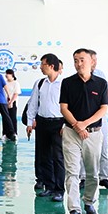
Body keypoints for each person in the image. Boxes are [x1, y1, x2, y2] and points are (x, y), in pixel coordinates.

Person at [59, 48, 108, 214]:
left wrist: (85, 124)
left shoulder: (101, 83)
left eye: (82, 60)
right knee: (72, 172)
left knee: (92, 172)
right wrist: (76, 125)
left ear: (91, 62)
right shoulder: (67, 83)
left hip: (93, 134)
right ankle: (74, 209)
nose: (78, 64)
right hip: (71, 133)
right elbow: (63, 107)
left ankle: (89, 201)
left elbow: (104, 108)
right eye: (75, 60)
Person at [25, 53, 64, 202]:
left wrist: (66, 124)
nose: (40, 67)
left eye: (43, 64)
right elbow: (33, 103)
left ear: (51, 66)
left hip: (58, 124)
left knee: (58, 157)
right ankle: (49, 187)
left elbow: (70, 106)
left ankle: (59, 190)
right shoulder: (40, 83)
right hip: (42, 123)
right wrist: (30, 122)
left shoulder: (64, 83)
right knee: (44, 156)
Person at [87, 49, 108, 190]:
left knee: (103, 147)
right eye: (93, 60)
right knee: (84, 150)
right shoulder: (79, 77)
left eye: (96, 60)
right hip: (85, 118)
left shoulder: (100, 75)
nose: (95, 62)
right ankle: (83, 178)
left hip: (101, 117)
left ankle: (104, 177)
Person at [4, 69, 21, 136]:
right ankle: (5, 134)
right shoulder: (5, 83)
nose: (6, 75)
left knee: (12, 118)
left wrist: (11, 102)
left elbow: (16, 94)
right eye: (6, 74)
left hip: (12, 102)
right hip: (4, 102)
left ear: (12, 74)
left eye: (7, 74)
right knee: (5, 118)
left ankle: (14, 133)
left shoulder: (15, 83)